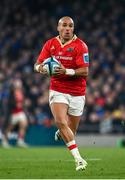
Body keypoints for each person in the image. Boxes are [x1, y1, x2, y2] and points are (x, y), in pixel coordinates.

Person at [34, 16, 89, 171]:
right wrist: (42, 69)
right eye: (64, 25)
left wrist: (67, 71)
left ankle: (62, 130)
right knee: (60, 120)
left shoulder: (81, 46)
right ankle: (79, 160)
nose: (67, 29)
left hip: (78, 92)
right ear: (58, 28)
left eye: (70, 26)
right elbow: (36, 65)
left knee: (70, 131)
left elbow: (85, 71)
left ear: (73, 28)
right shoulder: (50, 44)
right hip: (58, 89)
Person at [2, 79, 28, 148]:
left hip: (20, 112)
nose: (19, 85)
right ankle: (4, 141)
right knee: (10, 127)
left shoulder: (22, 92)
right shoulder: (11, 93)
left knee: (24, 124)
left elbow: (23, 102)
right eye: (17, 84)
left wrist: (24, 104)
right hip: (13, 113)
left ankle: (20, 140)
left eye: (19, 84)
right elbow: (9, 103)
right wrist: (15, 105)